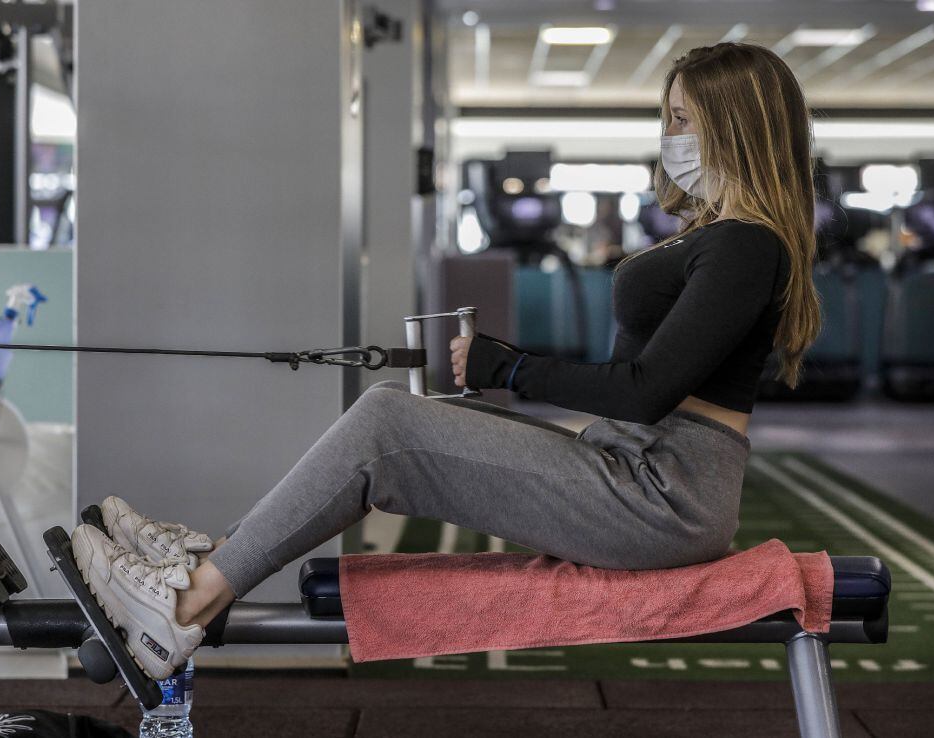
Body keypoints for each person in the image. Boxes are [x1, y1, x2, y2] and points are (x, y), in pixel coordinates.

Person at [71, 41, 822, 680]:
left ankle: (183, 607)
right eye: (669, 117)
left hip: (663, 497)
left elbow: (647, 390)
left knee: (386, 425)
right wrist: (511, 368)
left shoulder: (748, 244)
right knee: (393, 424)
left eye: (683, 119)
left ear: (733, 127)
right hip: (636, 472)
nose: (670, 134)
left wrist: (511, 370)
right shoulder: (721, 235)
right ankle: (210, 561)